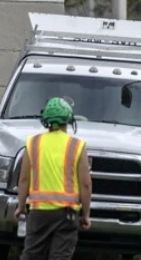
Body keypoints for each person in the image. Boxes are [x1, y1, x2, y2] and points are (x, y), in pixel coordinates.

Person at [14, 97, 92, 260]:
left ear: (45, 121)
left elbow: (23, 179)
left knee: (31, 254)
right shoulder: (77, 145)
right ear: (69, 120)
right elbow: (85, 184)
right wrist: (85, 214)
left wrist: (21, 206)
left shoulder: (33, 143)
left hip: (38, 213)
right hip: (67, 214)